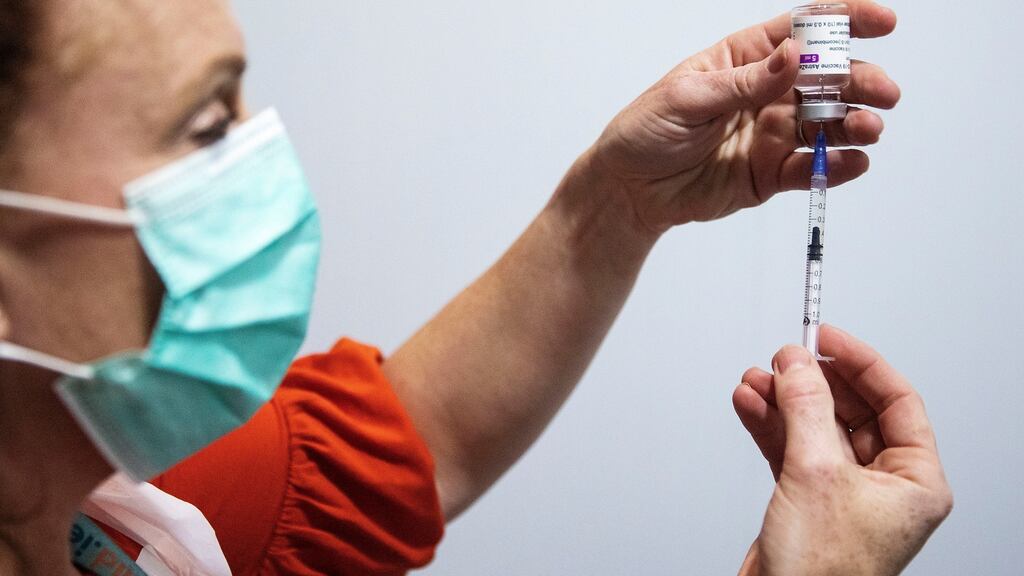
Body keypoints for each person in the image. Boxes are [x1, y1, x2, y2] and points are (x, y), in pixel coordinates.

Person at [0, 0, 950, 574]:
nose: (266, 161)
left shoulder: (122, 507)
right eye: (208, 127)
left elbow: (379, 459)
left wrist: (619, 205)